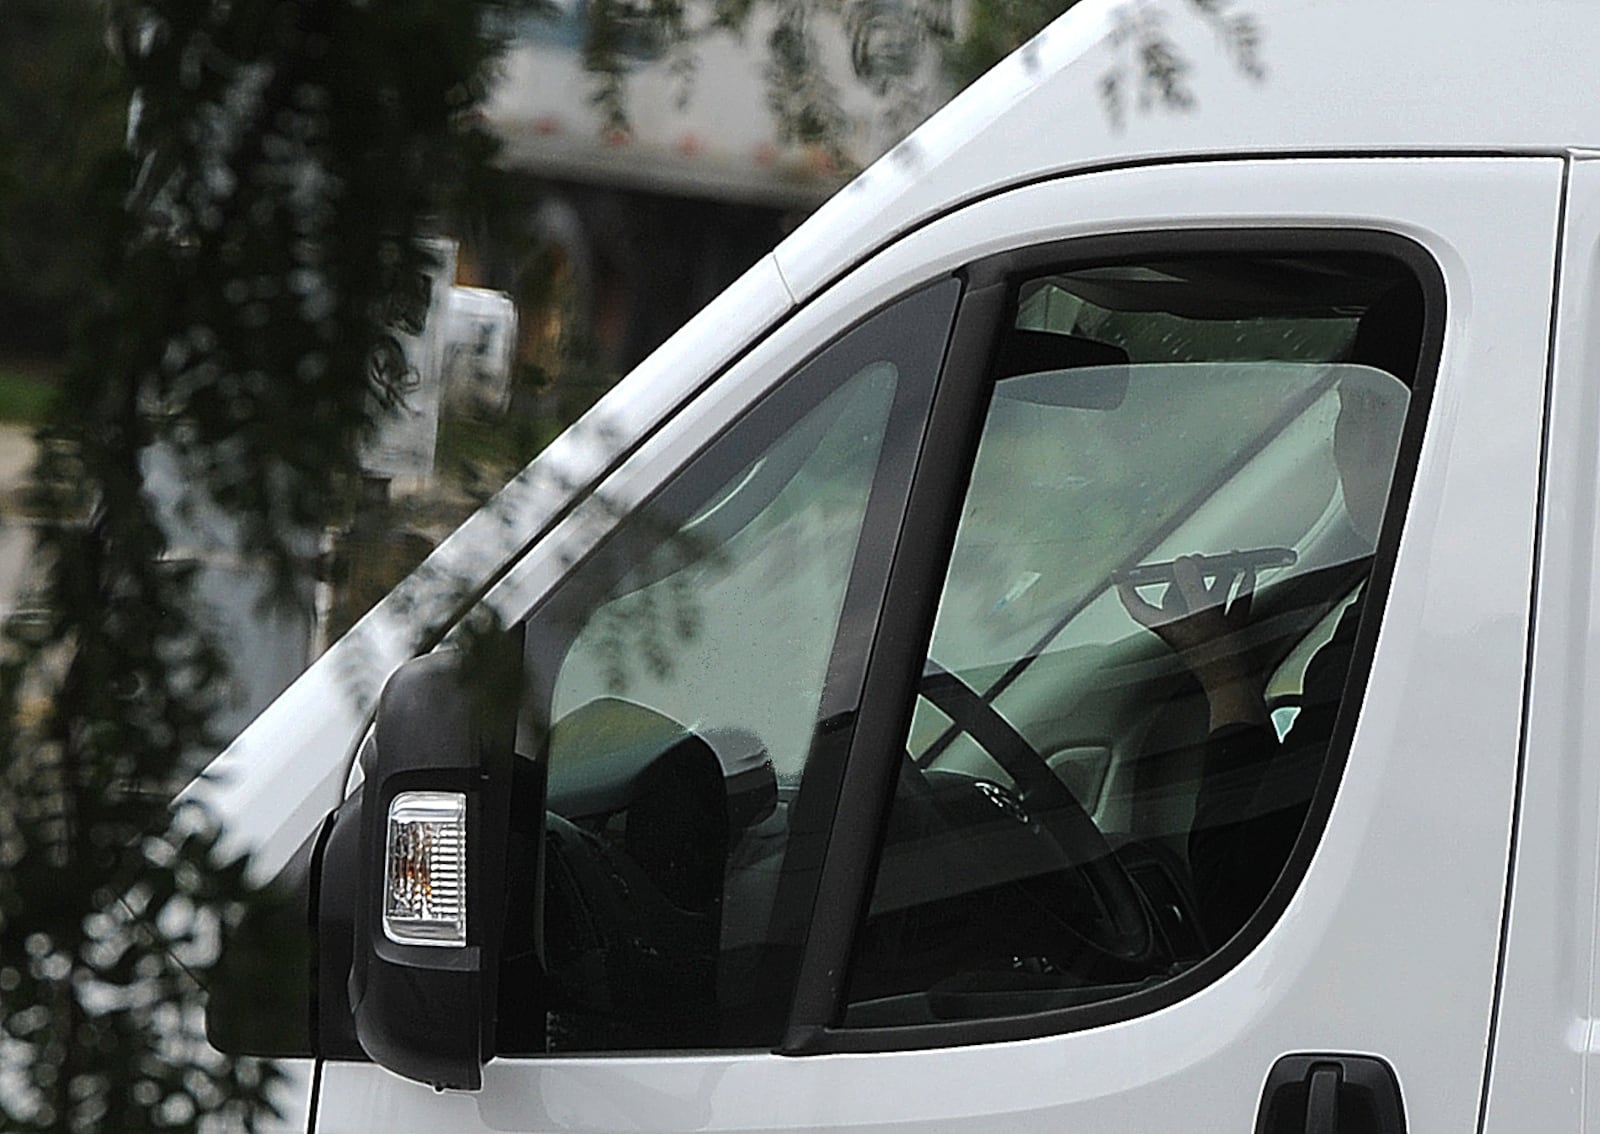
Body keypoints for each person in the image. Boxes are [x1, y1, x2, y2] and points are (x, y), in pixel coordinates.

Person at [1117, 289, 1419, 946]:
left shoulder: (1411, 635)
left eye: (1365, 405)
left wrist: (1228, 688)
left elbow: (1242, 904)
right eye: (1350, 410)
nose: (1353, 440)